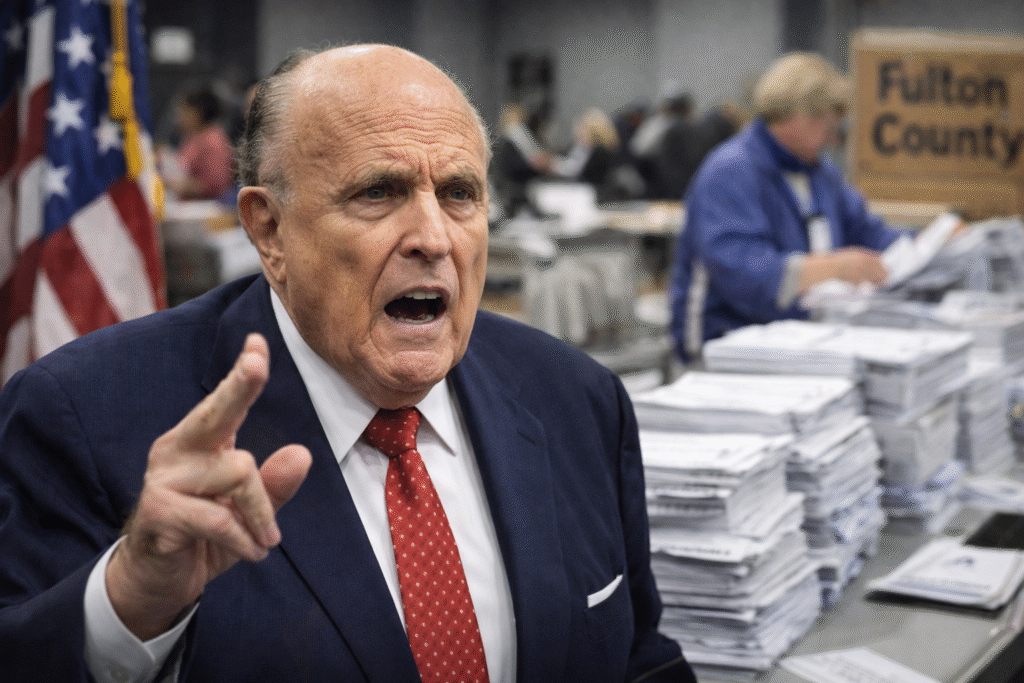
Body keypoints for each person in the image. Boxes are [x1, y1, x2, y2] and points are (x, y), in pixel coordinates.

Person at [0, 44, 696, 683]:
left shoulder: (578, 399)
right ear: (269, 230)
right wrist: (132, 601)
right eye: (378, 192)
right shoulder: (83, 414)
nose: (433, 238)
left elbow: (639, 657)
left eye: (459, 193)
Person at [669, 52, 905, 362]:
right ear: (795, 115)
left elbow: (864, 229)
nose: (832, 138)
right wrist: (831, 268)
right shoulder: (731, 171)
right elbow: (743, 272)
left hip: (798, 342)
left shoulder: (820, 173)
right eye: (827, 123)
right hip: (724, 349)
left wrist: (923, 244)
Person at [162, 86, 237, 201]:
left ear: (198, 112)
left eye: (184, 111)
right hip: (187, 205)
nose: (178, 117)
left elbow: (216, 185)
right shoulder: (191, 136)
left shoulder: (213, 140)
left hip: (211, 207)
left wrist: (174, 184)